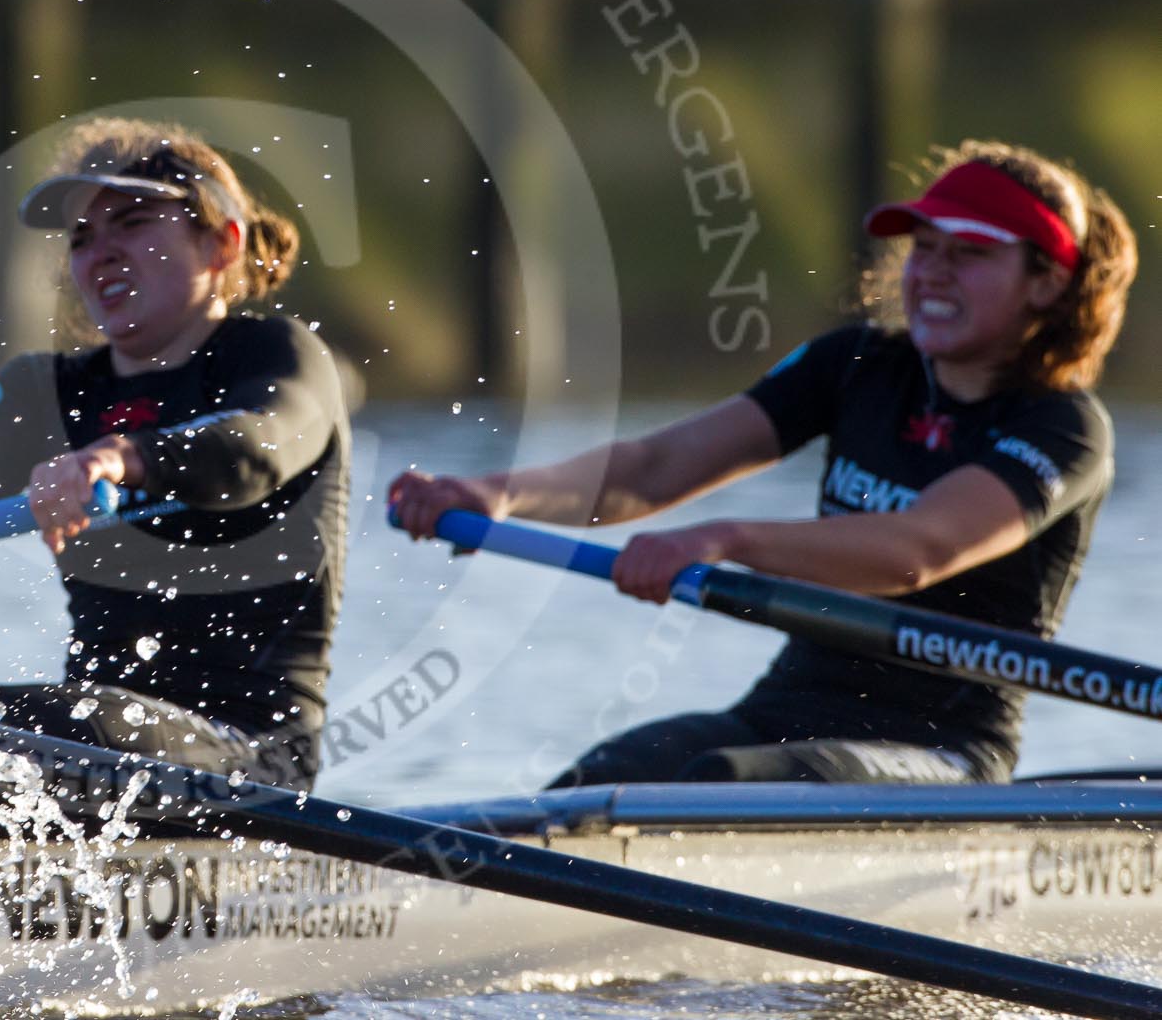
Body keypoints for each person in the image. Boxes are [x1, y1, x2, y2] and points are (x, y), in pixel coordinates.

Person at [391, 141, 1136, 787]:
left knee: (717, 785)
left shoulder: (1062, 427)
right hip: (783, 709)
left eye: (969, 254)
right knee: (612, 773)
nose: (933, 273)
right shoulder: (854, 367)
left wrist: (722, 541)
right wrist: (493, 491)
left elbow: (917, 551)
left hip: (938, 749)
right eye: (925, 249)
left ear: (1046, 282)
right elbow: (653, 467)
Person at [0, 118, 350, 796]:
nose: (99, 253)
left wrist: (118, 461)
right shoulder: (48, 390)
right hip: (94, 747)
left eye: (132, 222)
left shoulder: (277, 358)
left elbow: (254, 449)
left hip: (251, 757)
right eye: (82, 239)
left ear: (222, 243)